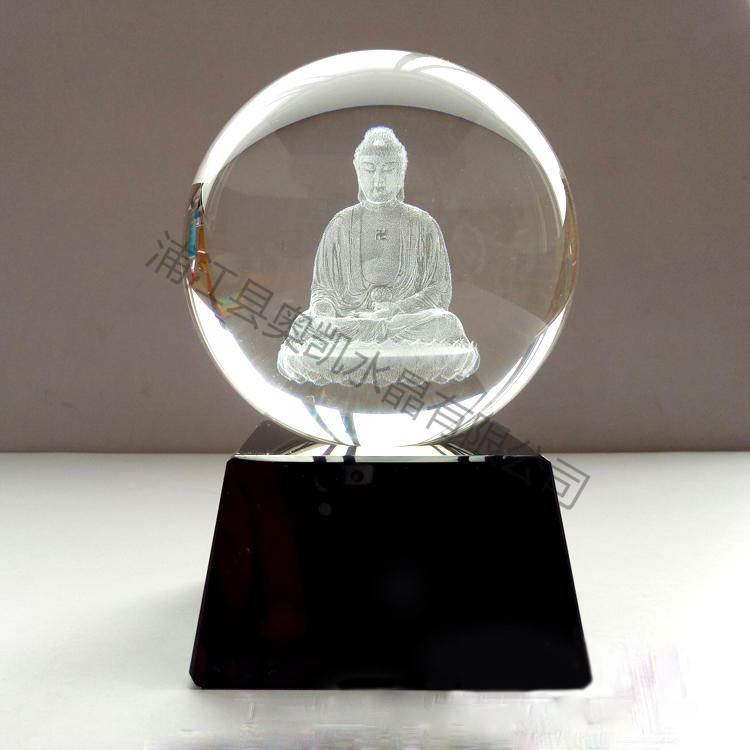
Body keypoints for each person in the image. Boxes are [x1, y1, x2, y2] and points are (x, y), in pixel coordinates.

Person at [278, 126, 479, 386]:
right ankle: (366, 337)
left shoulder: (422, 223)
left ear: (401, 174)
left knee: (446, 324)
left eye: (388, 170)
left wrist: (397, 309)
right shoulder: (341, 224)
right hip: (352, 319)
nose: (378, 180)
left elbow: (439, 291)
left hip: (404, 322)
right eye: (370, 170)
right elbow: (323, 289)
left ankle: (370, 341)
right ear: (358, 173)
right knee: (305, 326)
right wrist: (324, 310)